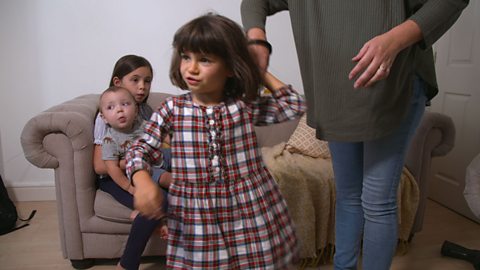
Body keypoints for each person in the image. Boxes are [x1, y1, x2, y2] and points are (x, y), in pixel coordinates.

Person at [240, 1, 469, 270]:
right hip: (334, 89)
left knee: (377, 200)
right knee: (348, 195)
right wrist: (256, 40)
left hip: (394, 81)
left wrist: (394, 40)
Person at [125, 13, 305, 269]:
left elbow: (294, 104)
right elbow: (138, 149)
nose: (191, 68)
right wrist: (142, 181)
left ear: (231, 66)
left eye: (205, 59)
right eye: (186, 57)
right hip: (198, 218)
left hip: (249, 209)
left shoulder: (243, 106)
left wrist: (258, 70)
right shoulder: (172, 109)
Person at [93, 55, 172, 270]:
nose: (142, 87)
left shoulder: (144, 111)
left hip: (146, 170)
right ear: (118, 82)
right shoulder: (107, 118)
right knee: (158, 199)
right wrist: (136, 162)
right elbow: (101, 167)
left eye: (147, 81)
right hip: (114, 179)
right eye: (135, 80)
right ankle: (127, 264)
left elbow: (159, 140)